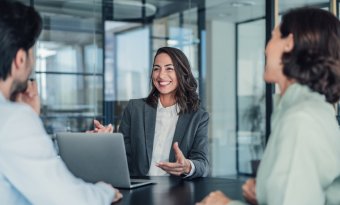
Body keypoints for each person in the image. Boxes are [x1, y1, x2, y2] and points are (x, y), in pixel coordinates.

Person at [197, 7, 340, 205]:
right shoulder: (304, 111)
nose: (266, 48)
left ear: (289, 43)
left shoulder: (301, 120)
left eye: (273, 37)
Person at [0, 1, 122, 204]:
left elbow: (29, 167)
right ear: (20, 59)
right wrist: (105, 191)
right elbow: (68, 199)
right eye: (33, 52)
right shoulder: (13, 119)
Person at [94, 47, 209, 178]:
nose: (161, 75)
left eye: (169, 68)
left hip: (177, 191)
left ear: (182, 73)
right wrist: (107, 142)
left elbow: (202, 163)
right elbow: (122, 157)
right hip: (138, 188)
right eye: (156, 68)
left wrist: (187, 166)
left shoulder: (198, 116)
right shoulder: (134, 108)